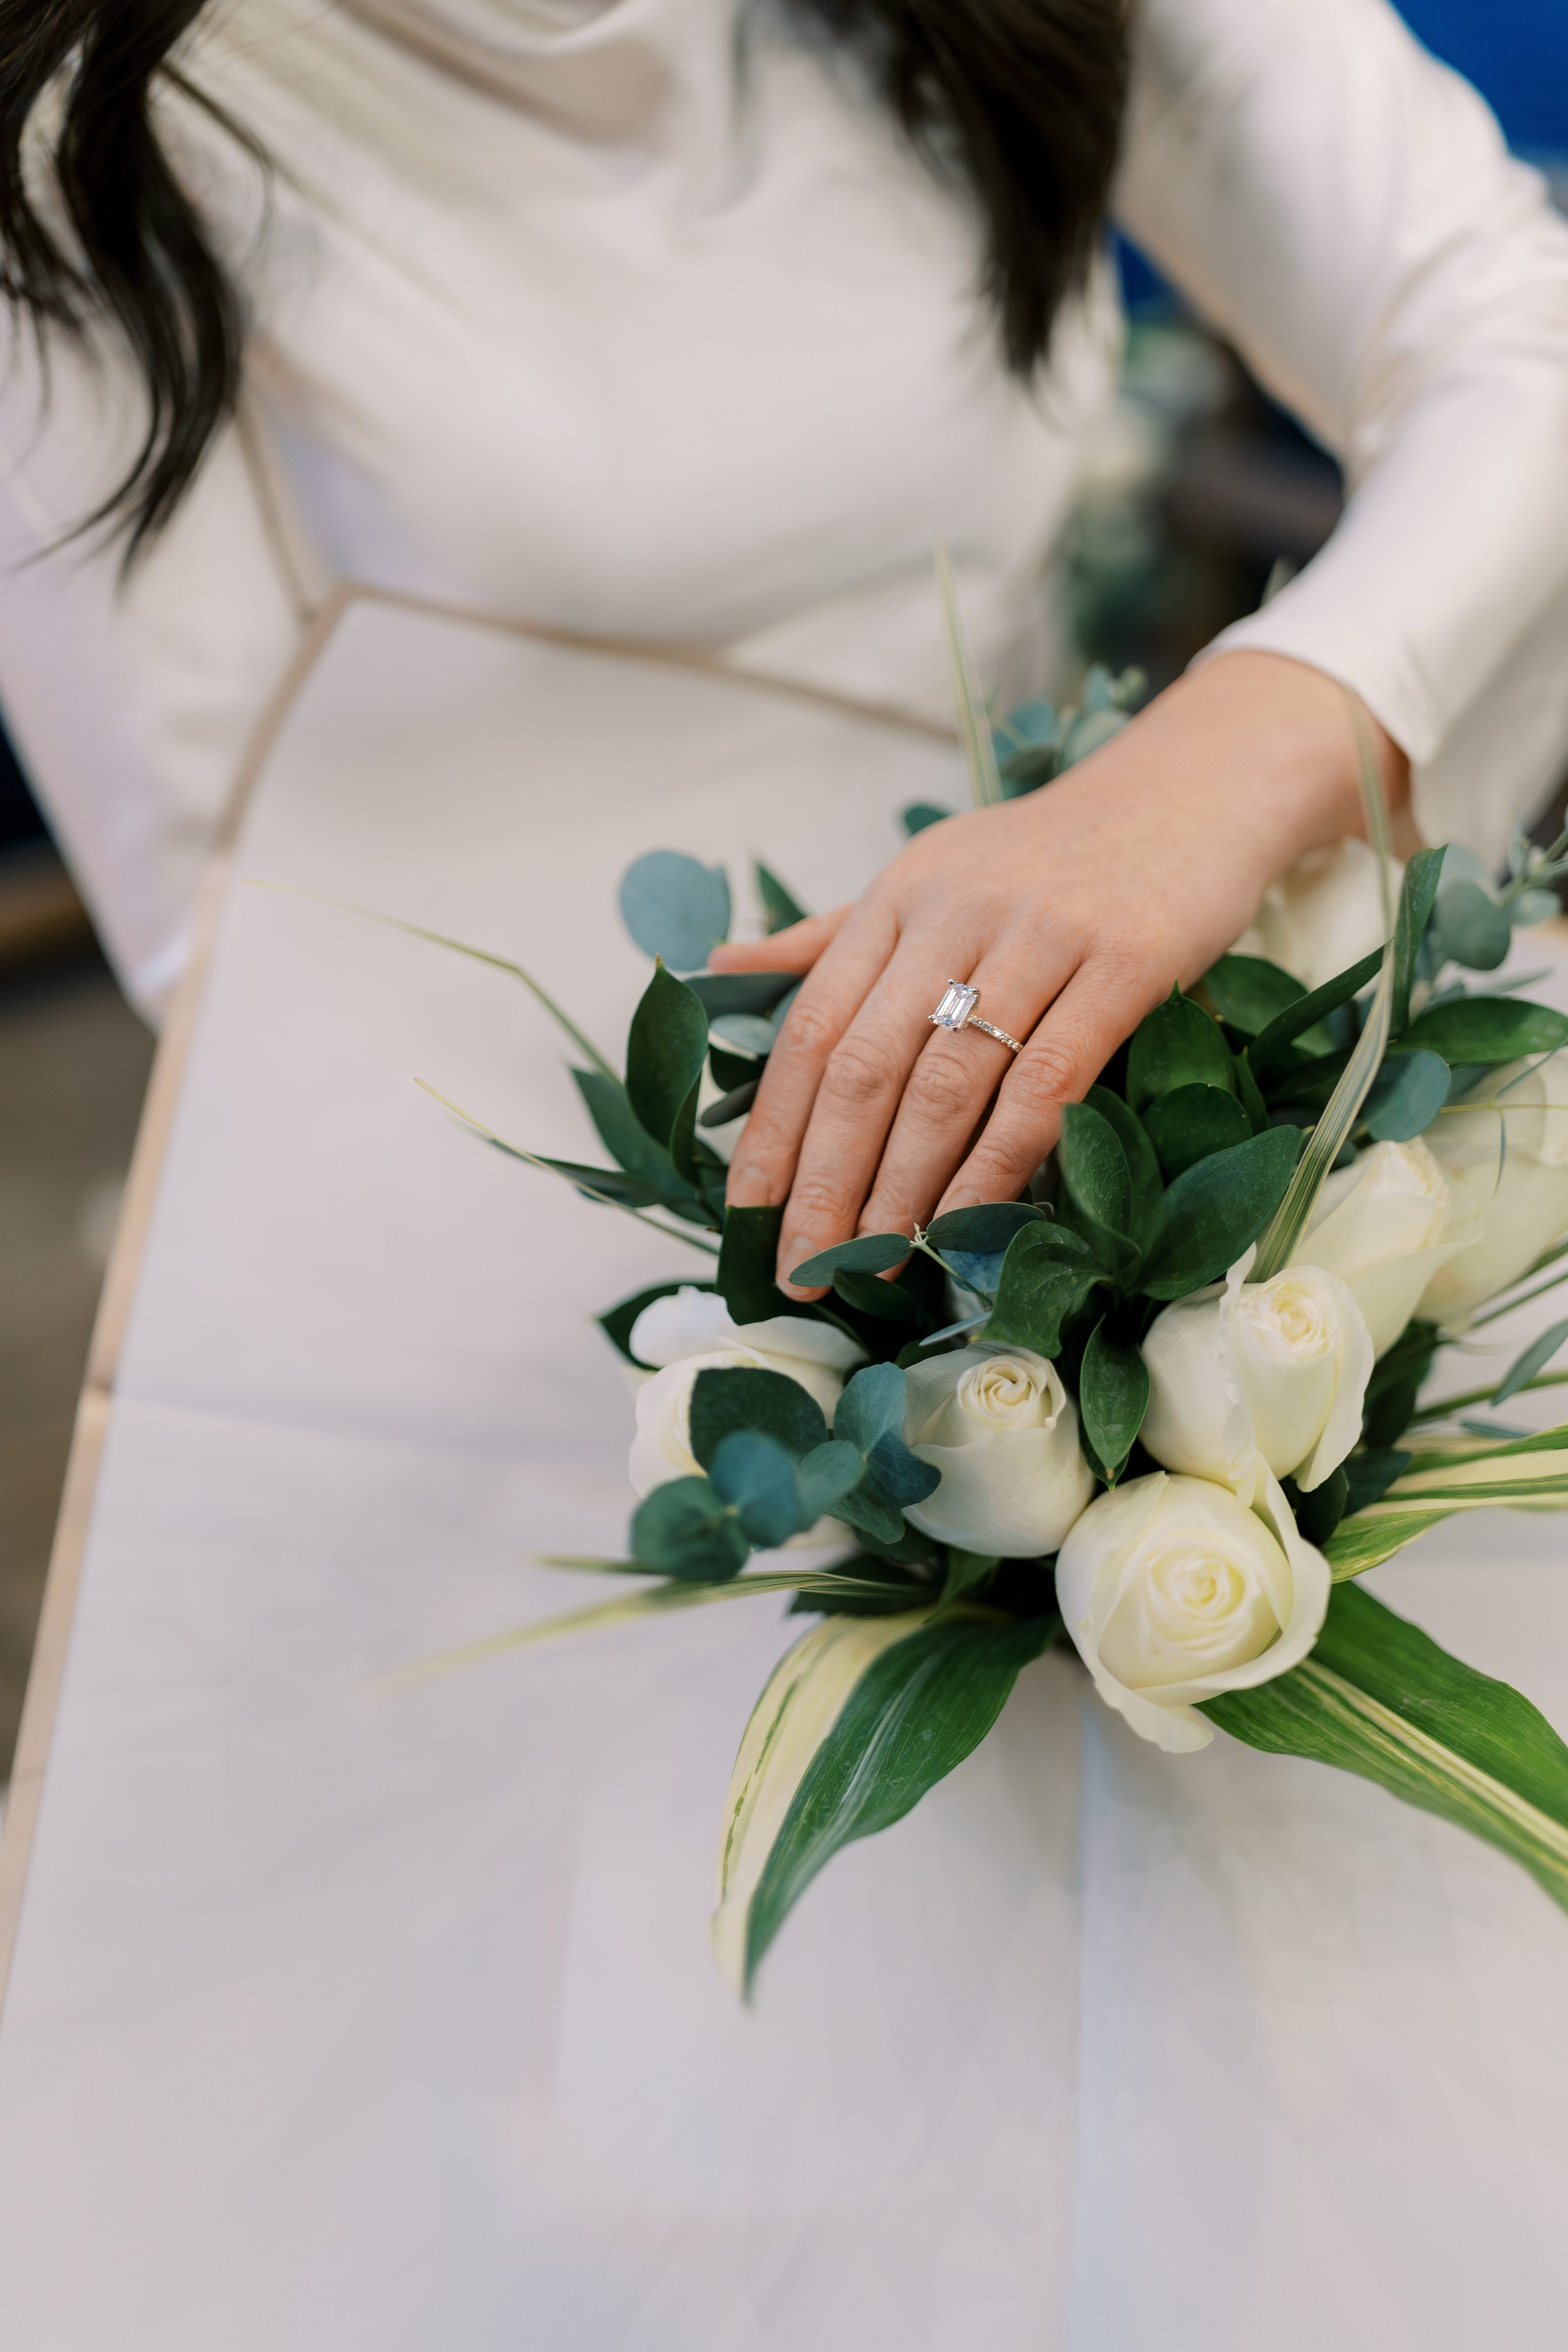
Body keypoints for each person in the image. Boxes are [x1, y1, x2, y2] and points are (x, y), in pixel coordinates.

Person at [2, 0, 1567, 1240]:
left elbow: (1512, 328)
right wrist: (761, 1263)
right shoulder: (80, 111)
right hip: (514, 1157)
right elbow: (222, 908)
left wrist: (1199, 783)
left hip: (1085, 1092)